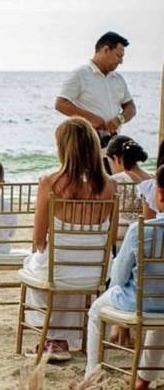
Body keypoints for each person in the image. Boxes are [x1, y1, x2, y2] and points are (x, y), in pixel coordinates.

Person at [19, 117, 116, 362]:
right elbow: (111, 238)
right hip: (95, 273)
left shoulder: (50, 183)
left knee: (36, 262)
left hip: (59, 271)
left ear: (63, 148)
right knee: (70, 265)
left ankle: (54, 338)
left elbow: (39, 240)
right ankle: (67, 338)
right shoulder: (110, 186)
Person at [85, 165, 164, 388]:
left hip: (136, 303)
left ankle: (91, 376)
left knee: (95, 311)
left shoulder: (141, 230)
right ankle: (144, 379)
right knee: (159, 315)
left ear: (159, 194)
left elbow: (118, 277)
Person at [55, 31, 135, 147]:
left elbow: (131, 107)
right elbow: (60, 104)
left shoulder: (118, 79)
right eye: (118, 56)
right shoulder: (80, 74)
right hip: (85, 143)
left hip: (111, 145)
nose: (121, 61)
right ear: (106, 50)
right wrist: (91, 119)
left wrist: (119, 120)